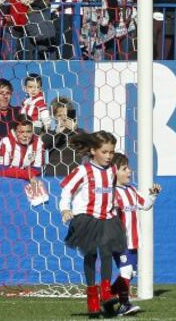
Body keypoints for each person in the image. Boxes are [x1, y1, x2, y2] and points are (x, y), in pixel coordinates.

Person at [59, 131, 126, 318]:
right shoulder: (83, 171)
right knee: (90, 254)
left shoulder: (112, 169)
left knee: (106, 251)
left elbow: (113, 189)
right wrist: (65, 209)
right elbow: (66, 190)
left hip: (107, 217)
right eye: (104, 152)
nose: (108, 156)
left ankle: (105, 291)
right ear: (93, 151)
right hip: (87, 218)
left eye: (111, 152)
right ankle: (92, 297)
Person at [110, 152, 161, 316]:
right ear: (114, 172)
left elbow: (145, 205)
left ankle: (107, 295)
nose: (130, 171)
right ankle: (123, 304)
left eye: (129, 168)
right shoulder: (111, 193)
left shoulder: (131, 190)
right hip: (119, 240)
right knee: (126, 271)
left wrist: (152, 195)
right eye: (125, 169)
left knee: (131, 272)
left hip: (133, 240)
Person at [0, 114, 44, 191]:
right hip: (2, 185)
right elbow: (1, 171)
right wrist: (28, 174)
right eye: (21, 132)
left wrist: (22, 174)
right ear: (14, 131)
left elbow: (37, 170)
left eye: (28, 131)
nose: (25, 135)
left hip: (27, 184)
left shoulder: (38, 143)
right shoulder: (6, 142)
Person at [42, 97, 86, 177]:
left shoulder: (80, 132)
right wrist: (56, 133)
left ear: (71, 115)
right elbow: (41, 145)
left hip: (73, 178)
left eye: (66, 115)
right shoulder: (51, 134)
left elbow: (89, 146)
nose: (63, 118)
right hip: (53, 177)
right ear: (54, 117)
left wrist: (75, 130)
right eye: (59, 115)